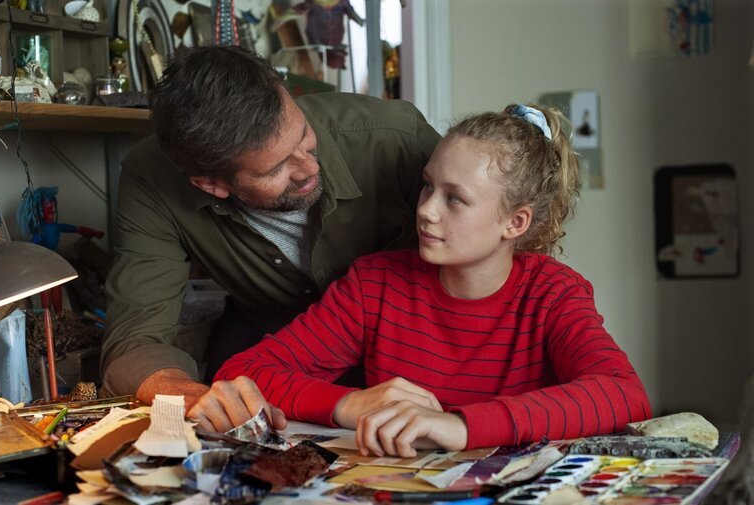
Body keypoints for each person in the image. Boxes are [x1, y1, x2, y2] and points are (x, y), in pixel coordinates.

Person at [215, 104, 651, 455]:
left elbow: (623, 394)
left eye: (455, 199)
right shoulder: (376, 283)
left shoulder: (553, 294)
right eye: (428, 186)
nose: (426, 210)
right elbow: (245, 371)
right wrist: (350, 404)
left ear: (515, 223)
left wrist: (459, 426)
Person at [99, 46, 441, 433]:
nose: (310, 167)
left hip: (411, 348)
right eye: (277, 167)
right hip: (270, 349)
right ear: (210, 183)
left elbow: (502, 258)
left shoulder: (393, 138)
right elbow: (134, 340)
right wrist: (190, 395)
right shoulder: (152, 180)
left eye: (304, 137)